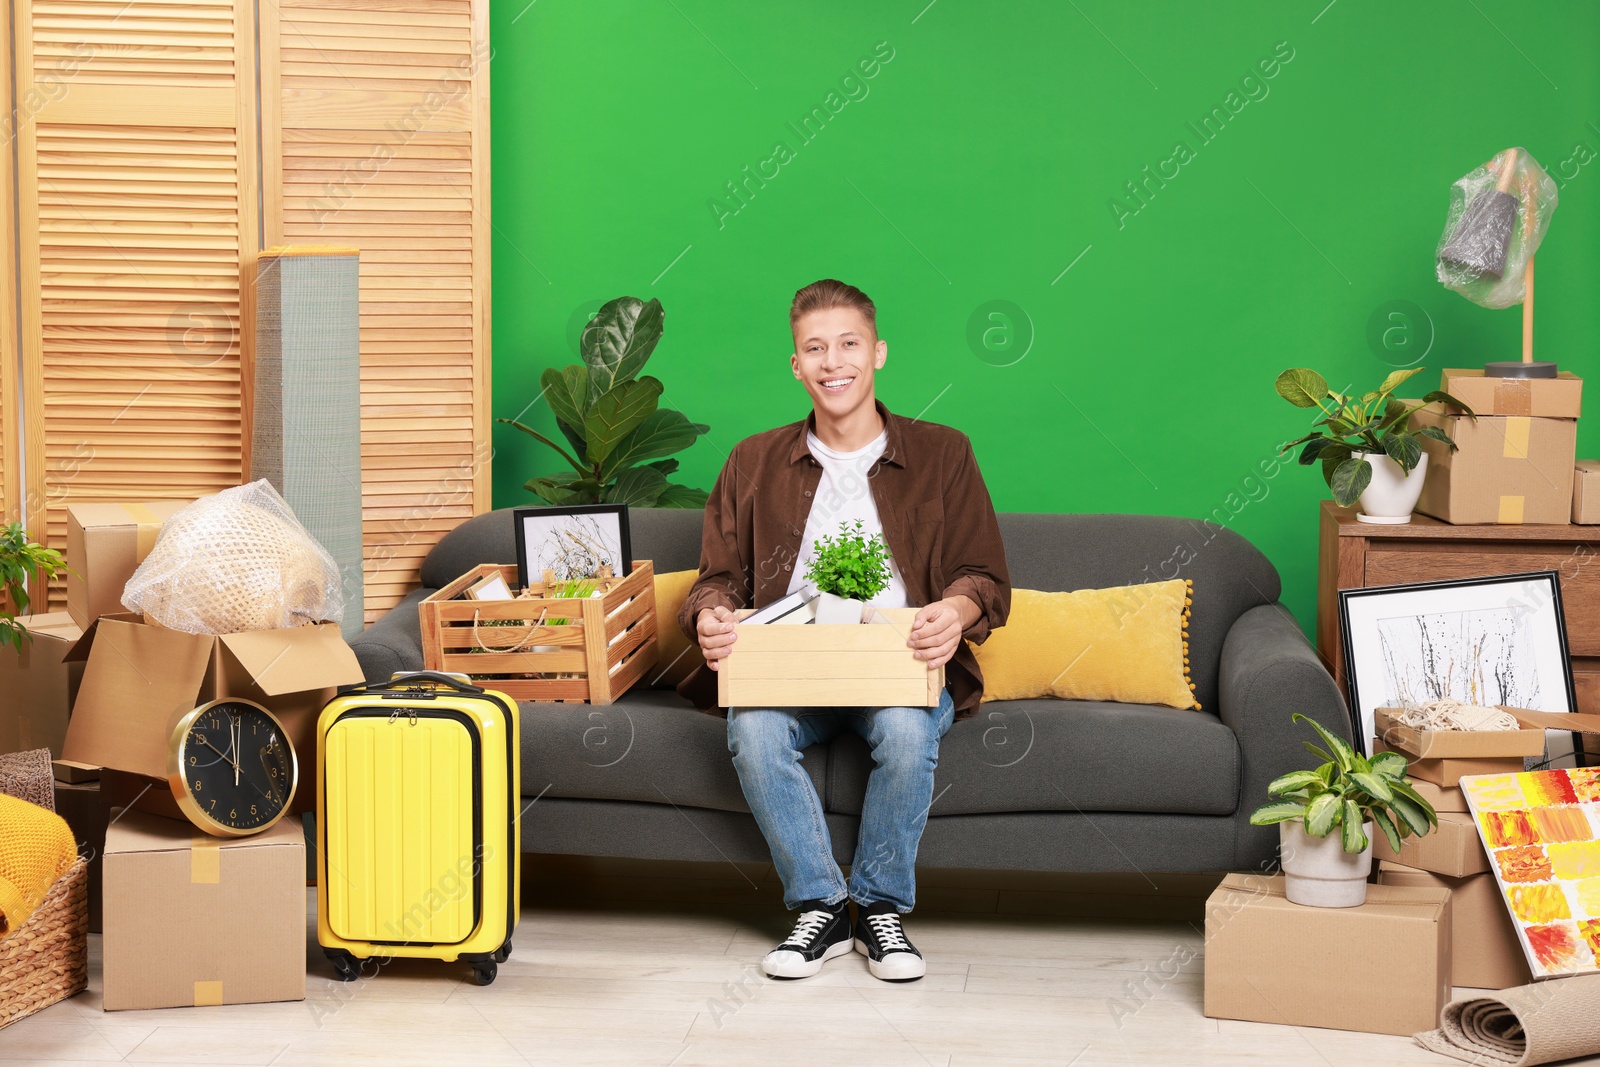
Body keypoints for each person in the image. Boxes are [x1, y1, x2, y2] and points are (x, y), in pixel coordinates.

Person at [676, 279, 1010, 982]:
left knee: (909, 728)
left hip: (900, 662)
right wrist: (709, 614)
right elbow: (719, 577)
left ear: (878, 352)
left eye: (849, 343)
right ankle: (823, 906)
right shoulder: (752, 460)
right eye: (815, 348)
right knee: (755, 730)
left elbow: (984, 575)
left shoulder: (944, 453)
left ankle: (880, 906)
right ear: (796, 365)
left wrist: (953, 612)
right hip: (789, 668)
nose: (834, 362)